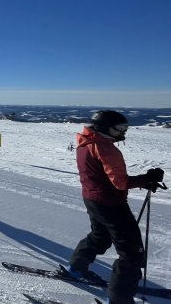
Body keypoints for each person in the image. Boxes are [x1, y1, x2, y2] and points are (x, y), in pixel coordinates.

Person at [66, 110, 164, 304]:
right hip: (110, 204)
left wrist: (143, 182)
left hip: (92, 198)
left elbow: (103, 177)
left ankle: (76, 269)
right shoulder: (105, 148)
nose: (123, 132)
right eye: (119, 128)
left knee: (99, 237)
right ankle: (119, 300)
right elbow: (119, 182)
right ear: (104, 127)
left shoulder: (85, 142)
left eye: (125, 128)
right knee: (131, 254)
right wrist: (147, 178)